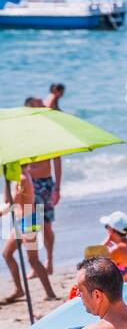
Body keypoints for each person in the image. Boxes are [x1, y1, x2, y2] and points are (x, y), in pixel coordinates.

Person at [1, 166, 58, 303]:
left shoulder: (22, 178)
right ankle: (19, 290)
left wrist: (1, 212)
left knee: (33, 259)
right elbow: (7, 200)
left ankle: (50, 293)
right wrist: (7, 181)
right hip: (21, 221)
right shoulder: (17, 178)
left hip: (28, 221)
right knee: (7, 254)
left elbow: (12, 204)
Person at [22, 97, 61, 275]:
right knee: (29, 225)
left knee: (46, 226)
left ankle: (49, 259)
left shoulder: (47, 131)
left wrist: (57, 188)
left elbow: (57, 160)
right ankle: (34, 265)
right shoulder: (23, 132)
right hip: (29, 183)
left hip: (45, 184)